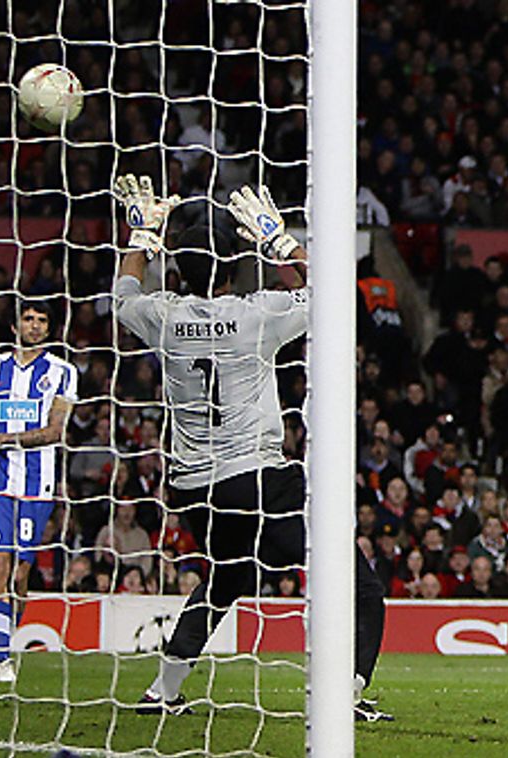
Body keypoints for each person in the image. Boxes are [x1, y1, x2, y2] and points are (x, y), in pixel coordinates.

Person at [108, 175, 390, 721]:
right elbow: (338, 297)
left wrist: (142, 237)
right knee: (361, 585)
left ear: (179, 267)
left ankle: (163, 692)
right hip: (258, 479)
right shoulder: (257, 315)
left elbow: (123, 297)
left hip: (192, 489)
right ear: (235, 265)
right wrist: (282, 243)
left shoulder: (162, 317)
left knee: (226, 580)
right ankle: (343, 699)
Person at [0, 300, 77, 683]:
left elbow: (54, 431)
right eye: (27, 319)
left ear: (48, 329)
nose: (34, 325)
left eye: (41, 320)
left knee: (20, 574)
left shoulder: (62, 372)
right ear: (15, 326)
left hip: (36, 484)